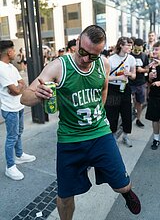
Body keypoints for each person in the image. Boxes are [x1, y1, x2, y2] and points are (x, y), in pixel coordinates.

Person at [21, 25, 141, 219]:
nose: (86, 59)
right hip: (70, 139)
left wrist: (99, 114)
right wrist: (38, 94)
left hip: (100, 135)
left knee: (123, 185)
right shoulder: (59, 66)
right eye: (83, 52)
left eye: (93, 55)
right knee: (66, 196)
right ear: (77, 42)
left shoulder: (103, 64)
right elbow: (24, 98)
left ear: (101, 52)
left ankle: (127, 193)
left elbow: (103, 90)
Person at [0, 40, 36, 181]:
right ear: (9, 52)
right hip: (10, 109)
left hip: (18, 106)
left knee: (18, 133)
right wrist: (18, 87)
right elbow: (16, 90)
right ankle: (10, 167)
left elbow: (23, 84)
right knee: (11, 137)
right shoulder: (2, 69)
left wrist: (19, 86)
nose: (15, 52)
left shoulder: (11, 67)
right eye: (13, 50)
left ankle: (19, 155)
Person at [105, 37, 136, 147]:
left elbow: (134, 75)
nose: (130, 47)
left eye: (131, 45)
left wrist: (129, 75)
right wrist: (119, 77)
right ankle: (113, 137)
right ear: (121, 45)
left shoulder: (131, 58)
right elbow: (105, 77)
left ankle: (125, 136)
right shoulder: (111, 59)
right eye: (127, 45)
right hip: (113, 89)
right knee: (112, 115)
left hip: (125, 88)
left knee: (127, 114)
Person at [130, 38, 149, 127]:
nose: (137, 50)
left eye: (139, 48)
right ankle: (130, 116)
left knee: (140, 102)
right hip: (130, 82)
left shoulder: (144, 56)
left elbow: (148, 69)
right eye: (136, 48)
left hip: (141, 82)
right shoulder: (129, 55)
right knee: (131, 100)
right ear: (133, 46)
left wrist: (143, 70)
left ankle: (138, 118)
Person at [145, 41, 160, 150]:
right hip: (154, 96)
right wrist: (150, 77)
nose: (154, 51)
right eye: (153, 49)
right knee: (155, 119)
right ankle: (156, 139)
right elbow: (149, 82)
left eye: (156, 49)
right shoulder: (152, 64)